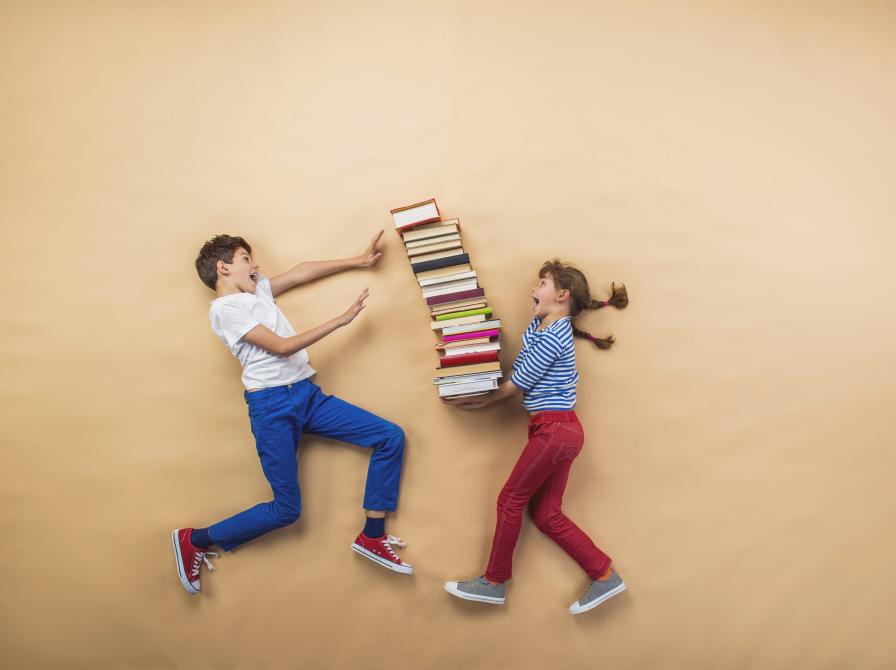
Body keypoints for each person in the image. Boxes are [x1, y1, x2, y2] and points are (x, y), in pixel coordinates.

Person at [172, 231, 412, 596]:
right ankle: (196, 539)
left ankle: (372, 535)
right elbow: (282, 347)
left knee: (389, 436)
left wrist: (357, 260)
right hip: (271, 408)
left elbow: (300, 273)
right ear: (222, 268)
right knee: (287, 510)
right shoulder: (226, 310)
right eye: (245, 259)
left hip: (306, 396)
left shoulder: (256, 291)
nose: (255, 266)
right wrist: (341, 320)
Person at [443, 259, 628, 614]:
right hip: (558, 430)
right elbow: (529, 346)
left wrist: (476, 402)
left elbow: (518, 383)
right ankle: (604, 575)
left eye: (541, 284)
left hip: (555, 430)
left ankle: (493, 583)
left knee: (510, 500)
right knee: (546, 515)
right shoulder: (545, 329)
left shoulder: (553, 337)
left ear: (562, 294)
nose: (533, 289)